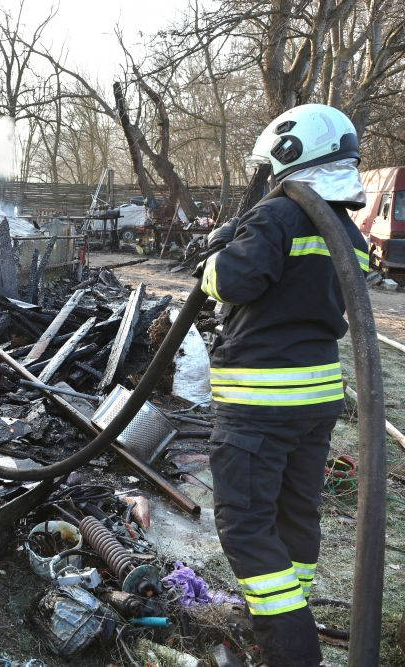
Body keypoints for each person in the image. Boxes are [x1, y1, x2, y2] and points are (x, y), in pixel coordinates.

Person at [198, 103, 370, 666]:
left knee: (246, 523)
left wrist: (220, 249)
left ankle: (289, 647)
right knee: (296, 513)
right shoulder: (347, 228)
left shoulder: (276, 217)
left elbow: (229, 282)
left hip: (260, 402)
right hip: (316, 399)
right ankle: (280, 606)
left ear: (289, 152)